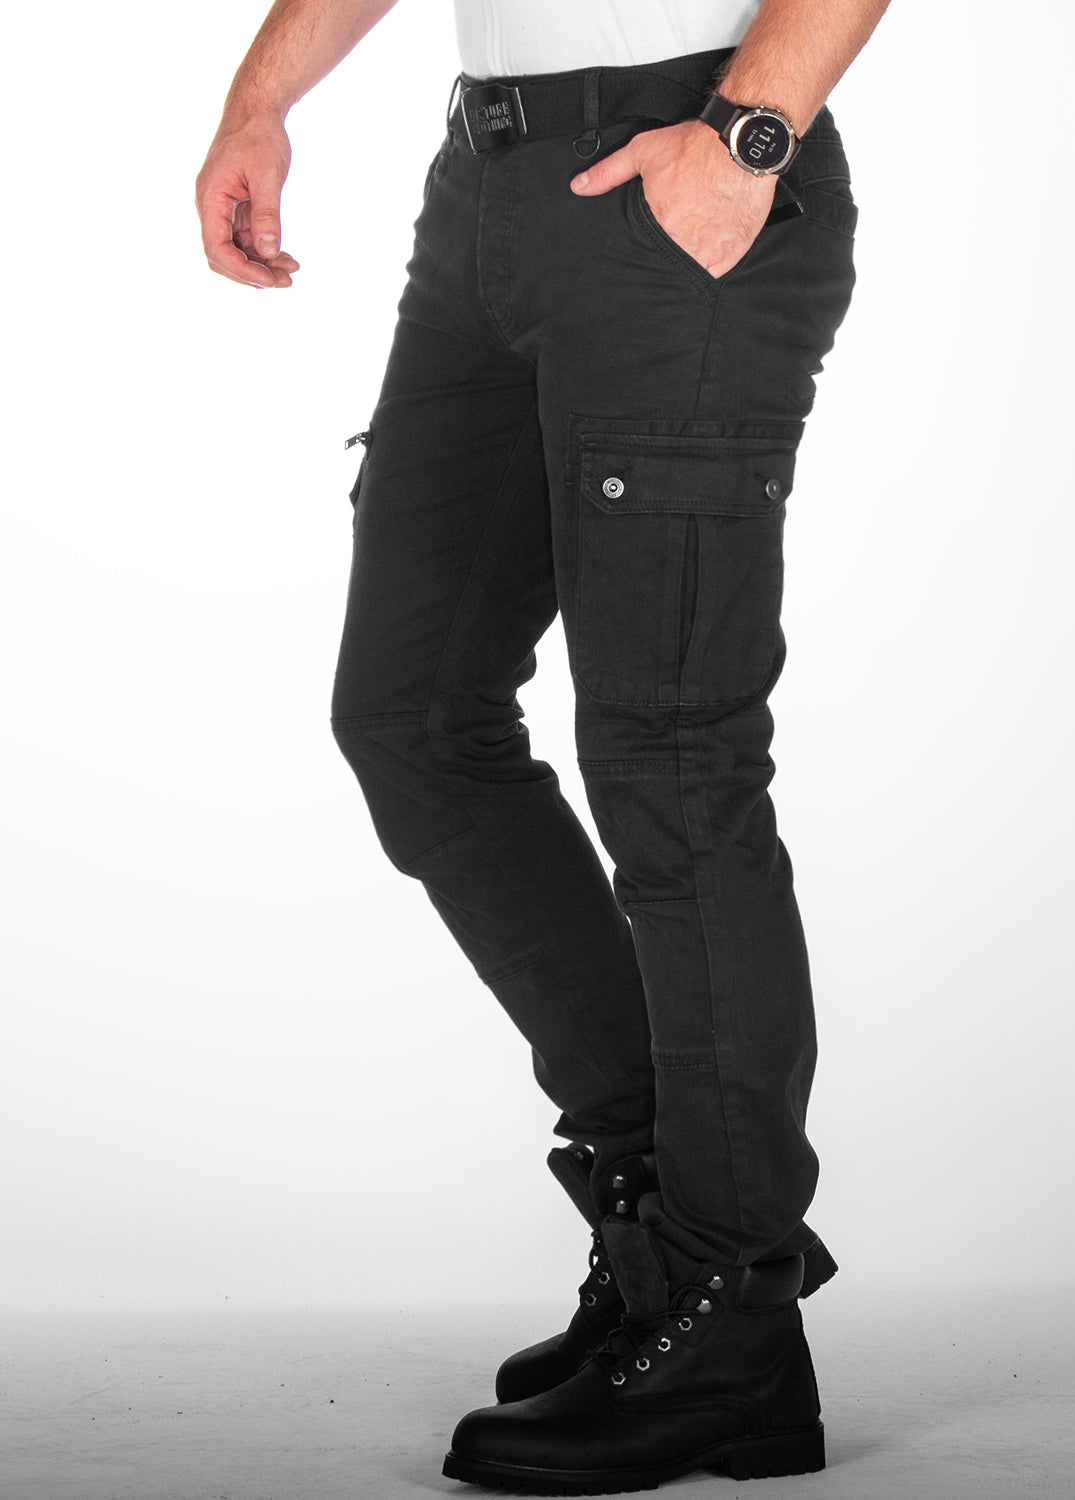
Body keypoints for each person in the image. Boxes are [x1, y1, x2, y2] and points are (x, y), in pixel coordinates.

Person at [196, 0, 892, 1490]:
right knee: (412, 713)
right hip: (490, 182)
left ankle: (728, 1304)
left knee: (675, 760)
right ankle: (661, 1237)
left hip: (686, 152)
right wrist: (261, 100)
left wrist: (744, 136)